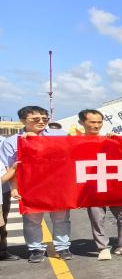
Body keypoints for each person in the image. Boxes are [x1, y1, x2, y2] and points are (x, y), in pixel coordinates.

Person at [0, 105, 72, 262]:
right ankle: (36, 249)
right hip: (30, 187)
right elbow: (11, 167)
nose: (41, 121)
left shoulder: (59, 135)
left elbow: (76, 151)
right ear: (23, 120)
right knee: (32, 219)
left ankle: (62, 247)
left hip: (57, 185)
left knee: (61, 218)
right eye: (36, 119)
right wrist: (14, 188)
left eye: (45, 119)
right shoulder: (11, 142)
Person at [77, 109, 122, 259]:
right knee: (97, 217)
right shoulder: (74, 141)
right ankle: (103, 247)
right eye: (92, 122)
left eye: (99, 122)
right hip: (91, 185)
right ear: (81, 123)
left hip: (114, 183)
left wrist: (118, 141)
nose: (96, 125)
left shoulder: (110, 139)